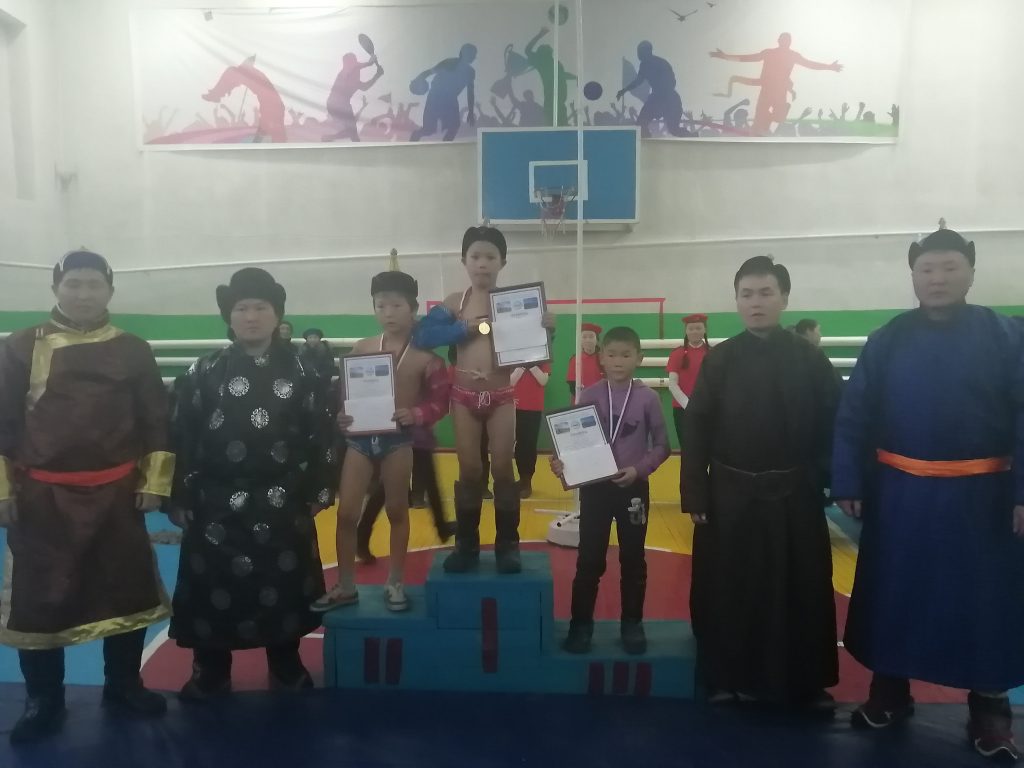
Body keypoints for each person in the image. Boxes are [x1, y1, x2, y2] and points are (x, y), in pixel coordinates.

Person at [831, 228, 1024, 760]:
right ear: (913, 276)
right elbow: (854, 415)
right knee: (896, 596)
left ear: (971, 272)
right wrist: (847, 480)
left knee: (985, 604)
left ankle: (990, 710)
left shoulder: (1008, 337)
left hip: (983, 500)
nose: (938, 278)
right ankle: (890, 693)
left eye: (949, 267)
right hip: (901, 498)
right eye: (927, 269)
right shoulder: (887, 340)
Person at [0, 250, 174, 743]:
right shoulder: (20, 346)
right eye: (73, 284)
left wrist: (154, 482)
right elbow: (3, 421)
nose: (83, 294)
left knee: (125, 590)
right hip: (42, 498)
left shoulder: (133, 349)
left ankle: (124, 685)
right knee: (40, 599)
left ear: (110, 290)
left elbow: (155, 419)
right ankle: (43, 700)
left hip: (118, 496)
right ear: (56, 288)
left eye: (93, 284)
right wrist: (2, 490)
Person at [168, 268, 338, 698]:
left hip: (282, 499)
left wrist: (319, 490)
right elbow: (181, 434)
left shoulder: (304, 372)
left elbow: (322, 434)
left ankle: (285, 662)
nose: (251, 317)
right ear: (229, 316)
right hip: (214, 502)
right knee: (212, 586)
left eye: (260, 308)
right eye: (242, 308)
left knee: (283, 585)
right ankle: (210, 669)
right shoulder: (204, 370)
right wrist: (180, 494)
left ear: (276, 314)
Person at [682, 255, 840, 708]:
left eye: (766, 293)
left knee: (802, 587)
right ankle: (725, 676)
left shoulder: (810, 359)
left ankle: (804, 681)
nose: (756, 302)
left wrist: (827, 479)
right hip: (730, 495)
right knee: (729, 588)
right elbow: (697, 425)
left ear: (784, 298)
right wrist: (695, 490)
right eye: (747, 294)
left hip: (795, 493)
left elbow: (835, 421)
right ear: (736, 301)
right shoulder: (720, 359)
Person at [413, 226, 554, 574]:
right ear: (464, 260)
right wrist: (465, 328)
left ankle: (508, 545)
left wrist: (546, 329)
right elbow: (423, 335)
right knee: (470, 469)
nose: (482, 263)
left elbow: (534, 348)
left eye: (490, 257)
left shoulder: (514, 303)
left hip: (502, 395)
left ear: (502, 262)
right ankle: (467, 545)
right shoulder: (455, 302)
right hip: (463, 397)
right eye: (475, 256)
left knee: (503, 466)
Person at [315, 270, 448, 612]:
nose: (388, 313)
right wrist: (341, 415)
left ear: (413, 308)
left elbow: (440, 401)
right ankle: (346, 585)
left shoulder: (427, 357)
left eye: (396, 305)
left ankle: (395, 581)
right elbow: (344, 396)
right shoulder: (362, 348)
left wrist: (416, 414)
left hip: (398, 441)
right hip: (360, 440)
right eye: (381, 305)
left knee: (397, 510)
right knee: (346, 513)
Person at [551, 327, 669, 654]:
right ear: (601, 357)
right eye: (612, 354)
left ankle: (632, 624)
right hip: (595, 490)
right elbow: (570, 446)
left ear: (639, 358)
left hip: (634, 489)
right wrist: (562, 464)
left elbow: (662, 446)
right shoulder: (588, 396)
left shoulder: (648, 398)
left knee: (633, 559)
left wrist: (639, 470)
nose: (618, 361)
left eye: (626, 355)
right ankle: (580, 625)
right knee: (589, 559)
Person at [666, 314, 710, 452]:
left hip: (707, 408)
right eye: (691, 328)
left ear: (705, 330)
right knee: (688, 450)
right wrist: (689, 405)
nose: (695, 331)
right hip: (682, 409)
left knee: (707, 448)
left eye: (698, 328)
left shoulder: (713, 353)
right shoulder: (677, 354)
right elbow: (673, 385)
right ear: (686, 331)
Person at [512, 362, 550, 498]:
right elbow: (510, 382)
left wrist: (532, 366)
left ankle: (527, 481)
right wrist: (522, 366)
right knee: (519, 444)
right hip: (516, 406)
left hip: (534, 408)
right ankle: (521, 478)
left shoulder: (543, 360)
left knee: (529, 444)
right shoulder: (515, 359)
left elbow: (543, 381)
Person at [567, 322, 603, 399]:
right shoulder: (575, 359)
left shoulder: (603, 358)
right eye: (584, 337)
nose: (588, 340)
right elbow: (572, 384)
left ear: (597, 340)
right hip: (581, 400)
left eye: (591, 336)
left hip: (600, 399)